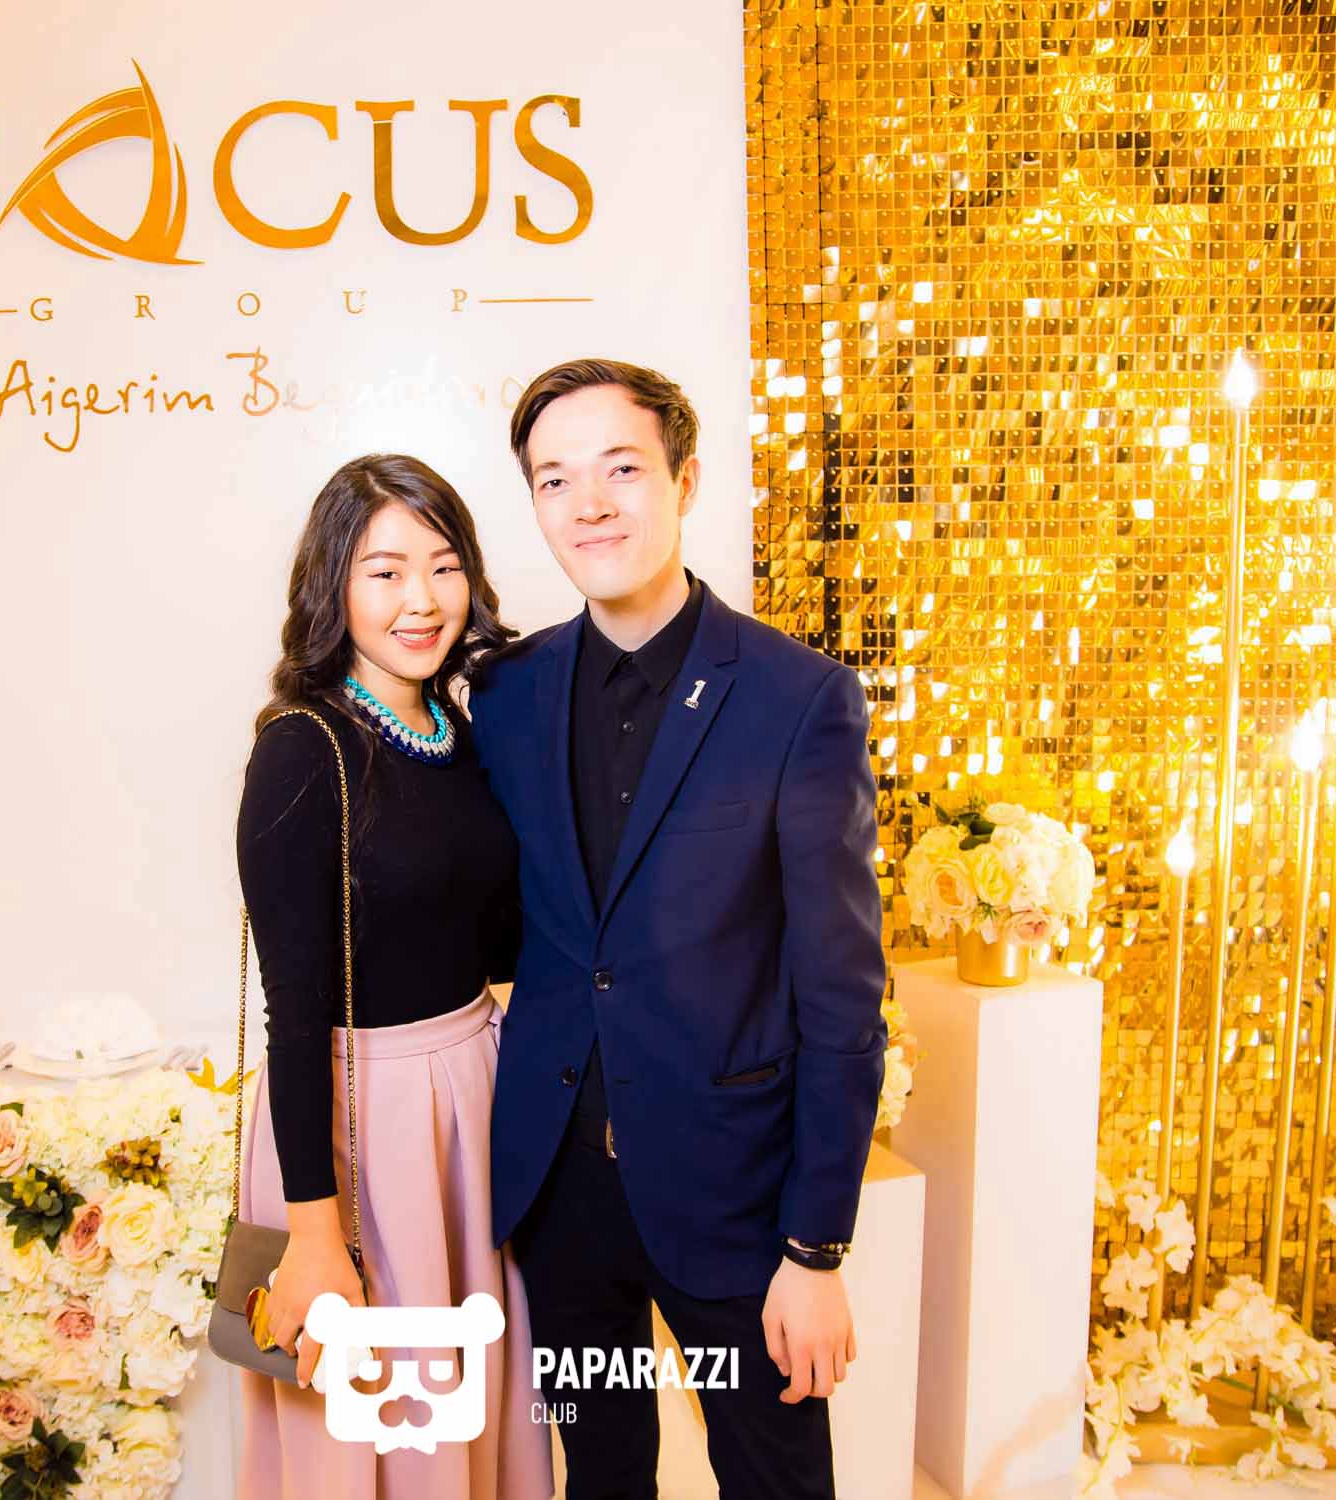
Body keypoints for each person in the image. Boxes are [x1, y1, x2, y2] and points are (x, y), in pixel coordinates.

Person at [472, 359, 887, 1499]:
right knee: (600, 1475)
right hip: (560, 1199)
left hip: (735, 1204)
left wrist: (815, 1251)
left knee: (773, 1482)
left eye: (620, 469)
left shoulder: (799, 698)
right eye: (555, 480)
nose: (589, 505)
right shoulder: (505, 695)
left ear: (685, 480)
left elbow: (843, 998)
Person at [235, 453, 555, 1500]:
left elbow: (490, 941)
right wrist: (314, 1237)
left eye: (444, 566)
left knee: (471, 1413)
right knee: (383, 1429)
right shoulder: (302, 749)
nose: (421, 599)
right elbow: (294, 1014)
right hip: (361, 1121)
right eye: (384, 572)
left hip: (471, 1095)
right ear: (332, 584)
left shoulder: (459, 730)